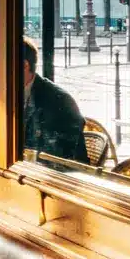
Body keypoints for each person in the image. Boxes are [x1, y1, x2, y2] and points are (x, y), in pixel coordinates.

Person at [22, 36, 88, 166]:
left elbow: (58, 159)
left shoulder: (58, 101)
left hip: (61, 174)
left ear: (25, 65)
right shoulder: (11, 94)